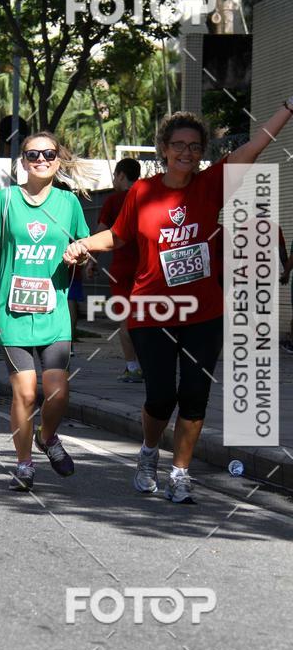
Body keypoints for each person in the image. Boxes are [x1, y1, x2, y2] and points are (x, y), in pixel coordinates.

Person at [64, 103, 293, 504]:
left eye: (193, 146)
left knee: (194, 393)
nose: (186, 152)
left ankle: (181, 472)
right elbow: (117, 237)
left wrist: (288, 108)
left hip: (203, 311)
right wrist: (83, 244)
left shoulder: (211, 184)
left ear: (201, 151)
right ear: (164, 150)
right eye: (178, 145)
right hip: (152, 310)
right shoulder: (142, 192)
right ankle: (149, 453)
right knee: (160, 396)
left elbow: (256, 146)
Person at [0, 131, 91, 492]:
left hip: (55, 312)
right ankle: (24, 463)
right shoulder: (4, 201)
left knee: (58, 391)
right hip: (13, 313)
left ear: (58, 159)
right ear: (23, 161)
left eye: (48, 153)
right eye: (33, 154)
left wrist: (81, 254)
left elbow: (85, 245)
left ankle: (47, 438)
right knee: (26, 392)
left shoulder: (69, 204)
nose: (41, 160)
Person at [97, 157, 142, 381]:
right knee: (148, 317)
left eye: (115, 176)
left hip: (122, 267)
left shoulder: (114, 201)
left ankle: (133, 367)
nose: (114, 180)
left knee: (126, 320)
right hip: (149, 268)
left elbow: (100, 234)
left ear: (122, 175)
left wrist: (90, 260)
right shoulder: (148, 197)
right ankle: (151, 364)